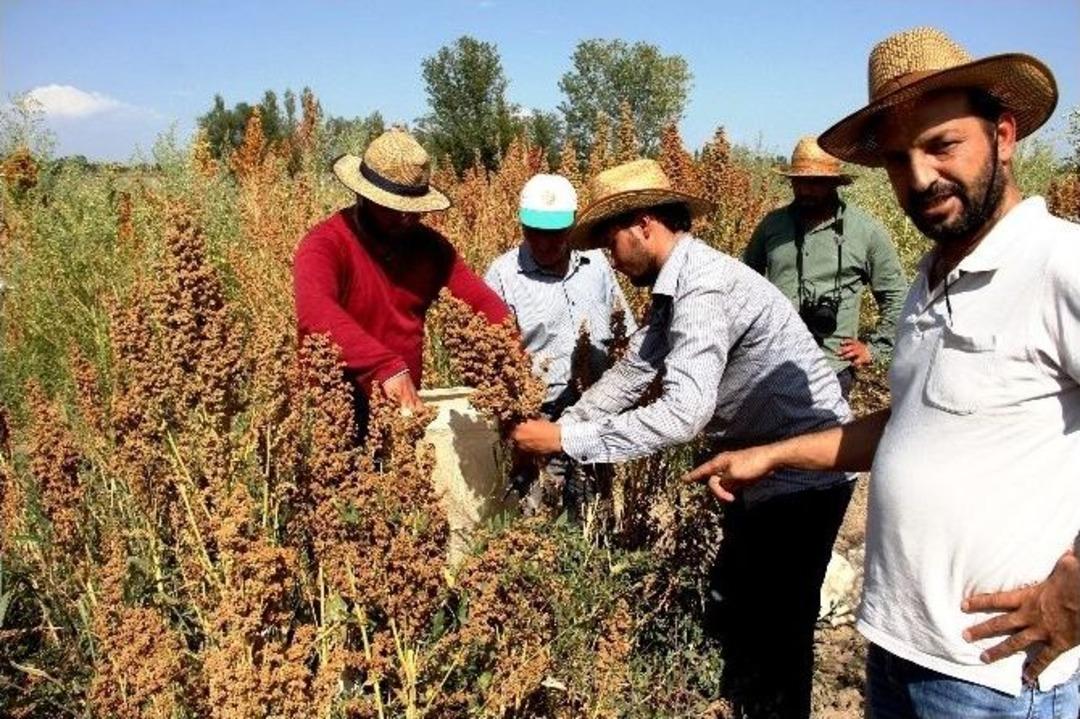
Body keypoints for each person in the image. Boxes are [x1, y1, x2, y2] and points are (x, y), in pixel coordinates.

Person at [684, 27, 1080, 718]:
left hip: (993, 676)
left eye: (942, 144)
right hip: (899, 653)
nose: (920, 176)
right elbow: (906, 426)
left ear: (1005, 136)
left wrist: (1075, 591)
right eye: (898, 158)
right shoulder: (933, 277)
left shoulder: (1058, 263)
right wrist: (769, 455)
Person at [511, 158, 854, 718]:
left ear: (644, 225)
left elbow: (682, 414)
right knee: (737, 615)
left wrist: (567, 442)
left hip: (805, 473)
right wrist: (562, 428)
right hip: (758, 467)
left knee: (778, 634)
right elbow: (636, 371)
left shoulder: (705, 287)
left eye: (611, 242)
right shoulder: (677, 287)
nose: (610, 260)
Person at [293, 129, 509, 435]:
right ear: (363, 195)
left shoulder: (430, 247)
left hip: (399, 415)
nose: (406, 219)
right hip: (333, 413)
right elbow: (315, 314)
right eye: (393, 209)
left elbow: (480, 302)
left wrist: (511, 348)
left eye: (414, 210)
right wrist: (384, 365)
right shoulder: (326, 243)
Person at [485, 173, 635, 514]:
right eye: (535, 232)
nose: (545, 243)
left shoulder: (597, 264)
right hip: (540, 418)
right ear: (522, 226)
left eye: (556, 234)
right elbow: (492, 360)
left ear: (572, 229)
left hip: (595, 412)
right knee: (539, 517)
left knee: (594, 514)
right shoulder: (503, 276)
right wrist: (517, 421)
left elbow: (624, 327)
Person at [744, 136, 907, 398]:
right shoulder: (772, 226)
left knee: (822, 439)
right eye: (800, 181)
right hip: (773, 364)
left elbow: (896, 295)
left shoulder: (865, 231)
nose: (806, 190)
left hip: (832, 368)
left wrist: (875, 349)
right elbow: (745, 283)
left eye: (816, 182)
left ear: (834, 183)